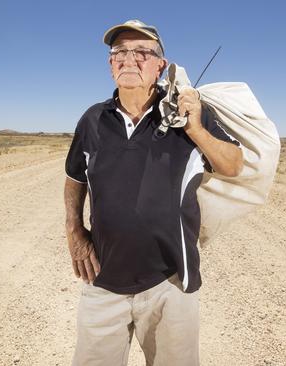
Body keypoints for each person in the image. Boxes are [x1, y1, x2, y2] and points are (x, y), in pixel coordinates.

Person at [64, 19, 242, 366]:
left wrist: (196, 129)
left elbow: (233, 164)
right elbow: (75, 176)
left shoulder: (186, 114)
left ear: (160, 65)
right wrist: (73, 227)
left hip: (169, 285)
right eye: (120, 52)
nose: (129, 59)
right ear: (110, 63)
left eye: (142, 52)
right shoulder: (92, 120)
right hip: (102, 283)